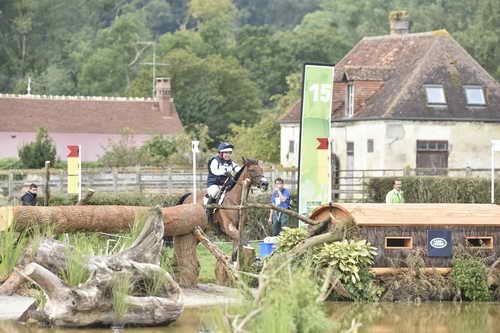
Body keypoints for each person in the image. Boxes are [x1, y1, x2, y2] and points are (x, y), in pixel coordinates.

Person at [205, 142, 241, 210]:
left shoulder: (231, 162)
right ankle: (208, 209)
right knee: (215, 191)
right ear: (221, 153)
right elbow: (214, 171)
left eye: (229, 153)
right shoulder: (215, 160)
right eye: (226, 153)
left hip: (225, 185)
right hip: (214, 184)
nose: (228, 155)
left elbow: (238, 169)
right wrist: (225, 172)